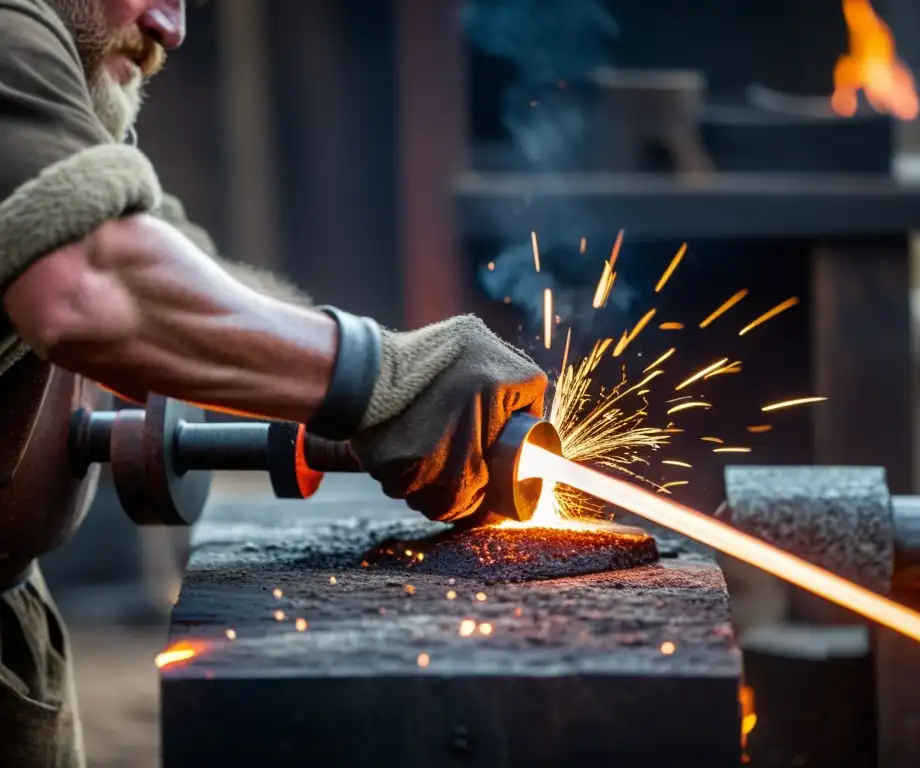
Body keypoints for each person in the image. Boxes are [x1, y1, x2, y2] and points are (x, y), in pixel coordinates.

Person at [0, 1, 547, 764]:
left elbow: (191, 281)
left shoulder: (67, 86)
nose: (171, 25)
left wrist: (391, 378)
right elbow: (94, 284)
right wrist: (384, 379)